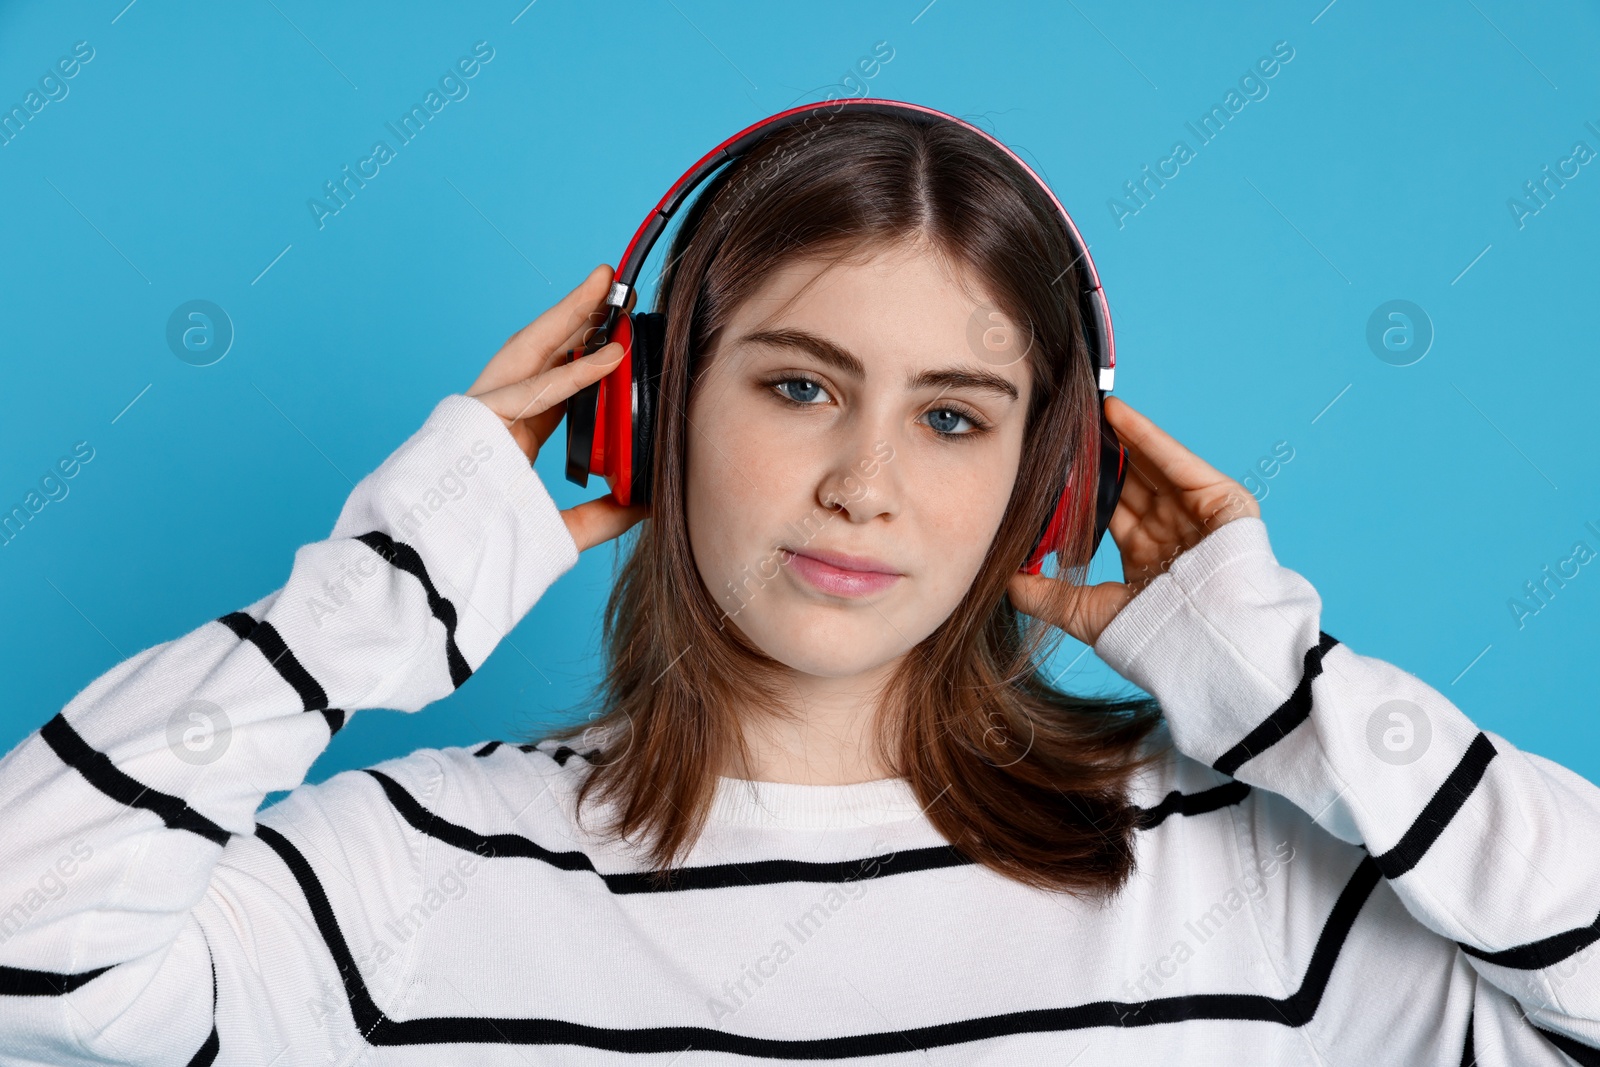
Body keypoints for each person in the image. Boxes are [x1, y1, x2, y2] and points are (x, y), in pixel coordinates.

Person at [1, 109, 1596, 1067]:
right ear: (646, 412)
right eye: (796, 387)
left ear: (1050, 486)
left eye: (955, 416)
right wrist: (375, 595)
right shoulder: (395, 877)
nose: (869, 482)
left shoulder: (1242, 894)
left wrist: (1295, 698)